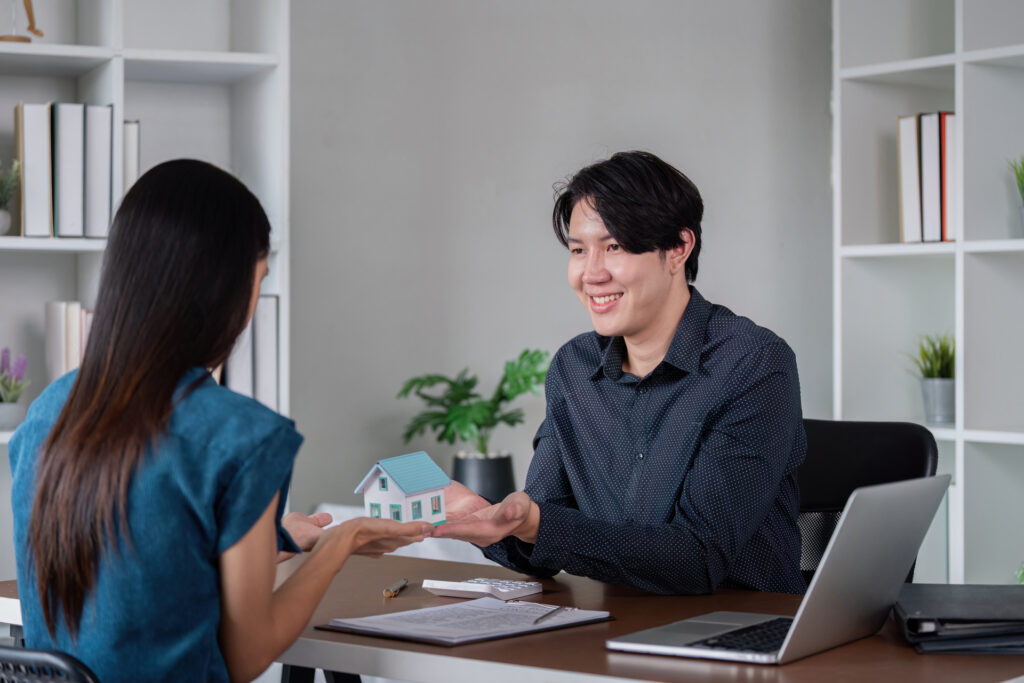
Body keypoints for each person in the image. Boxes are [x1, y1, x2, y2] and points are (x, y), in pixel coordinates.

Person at [8, 159, 432, 682]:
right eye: (259, 279)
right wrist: (342, 543)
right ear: (226, 288)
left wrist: (274, 538)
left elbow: (139, 570)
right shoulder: (241, 436)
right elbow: (247, 656)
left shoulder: (49, 411)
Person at [435, 151, 806, 595]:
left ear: (678, 248)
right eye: (577, 250)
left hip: (740, 635)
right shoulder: (574, 370)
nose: (591, 274)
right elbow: (547, 529)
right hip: (615, 630)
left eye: (614, 247)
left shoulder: (753, 364)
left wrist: (536, 524)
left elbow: (698, 557)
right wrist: (491, 520)